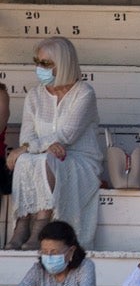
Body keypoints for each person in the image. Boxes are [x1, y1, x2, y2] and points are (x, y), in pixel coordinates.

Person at [6, 38, 99, 249]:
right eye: (37, 62)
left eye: (46, 64)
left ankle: (41, 225)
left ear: (63, 63)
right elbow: (27, 136)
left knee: (43, 159)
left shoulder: (84, 93)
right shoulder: (34, 95)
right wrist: (36, 147)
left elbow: (67, 135)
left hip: (79, 159)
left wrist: (32, 148)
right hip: (45, 156)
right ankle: (23, 222)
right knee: (27, 160)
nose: (40, 68)